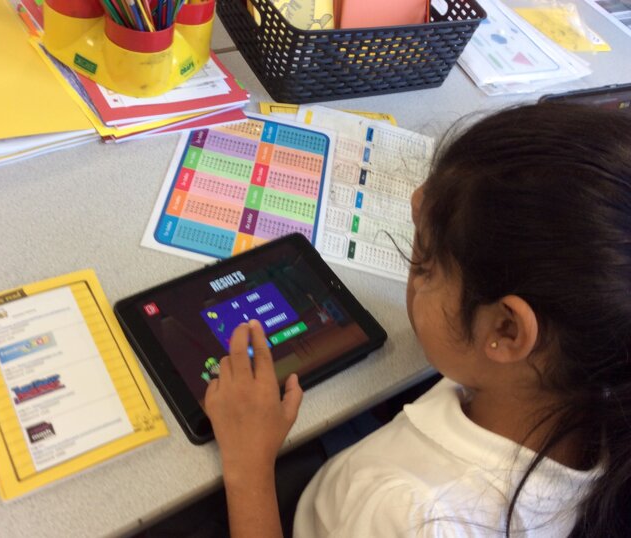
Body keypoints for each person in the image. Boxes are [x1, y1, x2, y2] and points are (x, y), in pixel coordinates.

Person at [203, 103, 631, 537]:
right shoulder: (597, 386)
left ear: (505, 330)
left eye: (423, 264)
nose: (414, 270)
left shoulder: (407, 511)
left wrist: (248, 465)